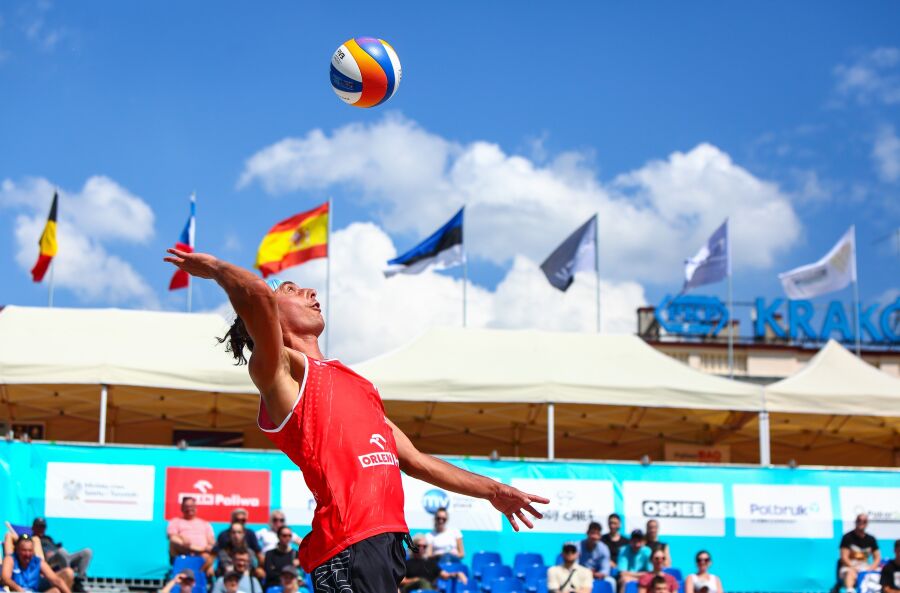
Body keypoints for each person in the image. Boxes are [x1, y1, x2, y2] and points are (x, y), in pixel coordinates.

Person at [164, 250, 548, 593]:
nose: (311, 292)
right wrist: (214, 268)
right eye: (293, 290)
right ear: (270, 320)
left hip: (385, 542)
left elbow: (415, 460)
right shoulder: (280, 372)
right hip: (347, 543)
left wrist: (492, 490)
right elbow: (258, 295)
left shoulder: (357, 384)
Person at [31, 518, 92, 589]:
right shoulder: (32, 539)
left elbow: (57, 548)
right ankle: (70, 578)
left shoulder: (48, 538)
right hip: (48, 561)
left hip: (61, 558)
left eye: (43, 526)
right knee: (61, 551)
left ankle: (78, 580)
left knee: (87, 552)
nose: (41, 529)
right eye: (38, 526)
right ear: (33, 527)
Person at [1, 533, 72, 593]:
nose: (27, 554)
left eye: (30, 550)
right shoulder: (11, 559)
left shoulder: (37, 561)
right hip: (17, 591)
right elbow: (5, 578)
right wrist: (19, 589)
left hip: (33, 591)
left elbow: (56, 580)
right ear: (17, 550)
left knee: (56, 591)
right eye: (24, 550)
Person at [401, 534, 467, 593]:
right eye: (419, 546)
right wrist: (415, 580)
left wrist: (457, 573)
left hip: (429, 589)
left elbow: (445, 575)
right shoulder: (406, 563)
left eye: (424, 546)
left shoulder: (431, 563)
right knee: (422, 582)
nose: (421, 548)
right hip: (411, 589)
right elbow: (402, 581)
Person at [167, 496, 215, 575]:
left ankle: (205, 575)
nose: (189, 508)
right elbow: (172, 537)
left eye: (192, 506)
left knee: (209, 555)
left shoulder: (205, 524)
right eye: (187, 506)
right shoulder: (175, 522)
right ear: (182, 508)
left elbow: (211, 541)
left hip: (202, 555)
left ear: (196, 508)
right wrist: (182, 537)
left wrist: (208, 548)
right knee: (174, 541)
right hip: (183, 553)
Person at [839, 513, 881, 593]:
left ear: (867, 523)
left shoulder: (871, 539)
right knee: (850, 573)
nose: (861, 522)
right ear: (855, 521)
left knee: (878, 573)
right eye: (859, 520)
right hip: (850, 566)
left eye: (864, 521)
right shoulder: (847, 537)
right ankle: (850, 590)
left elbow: (877, 558)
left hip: (865, 566)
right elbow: (844, 557)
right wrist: (854, 567)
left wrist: (870, 568)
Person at [577, 522, 616, 591]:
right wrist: (587, 572)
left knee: (611, 581)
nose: (594, 537)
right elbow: (573, 566)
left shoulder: (603, 548)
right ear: (587, 533)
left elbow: (605, 569)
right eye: (592, 533)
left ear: (600, 536)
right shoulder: (578, 546)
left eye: (597, 534)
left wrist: (599, 574)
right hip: (580, 575)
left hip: (597, 576)